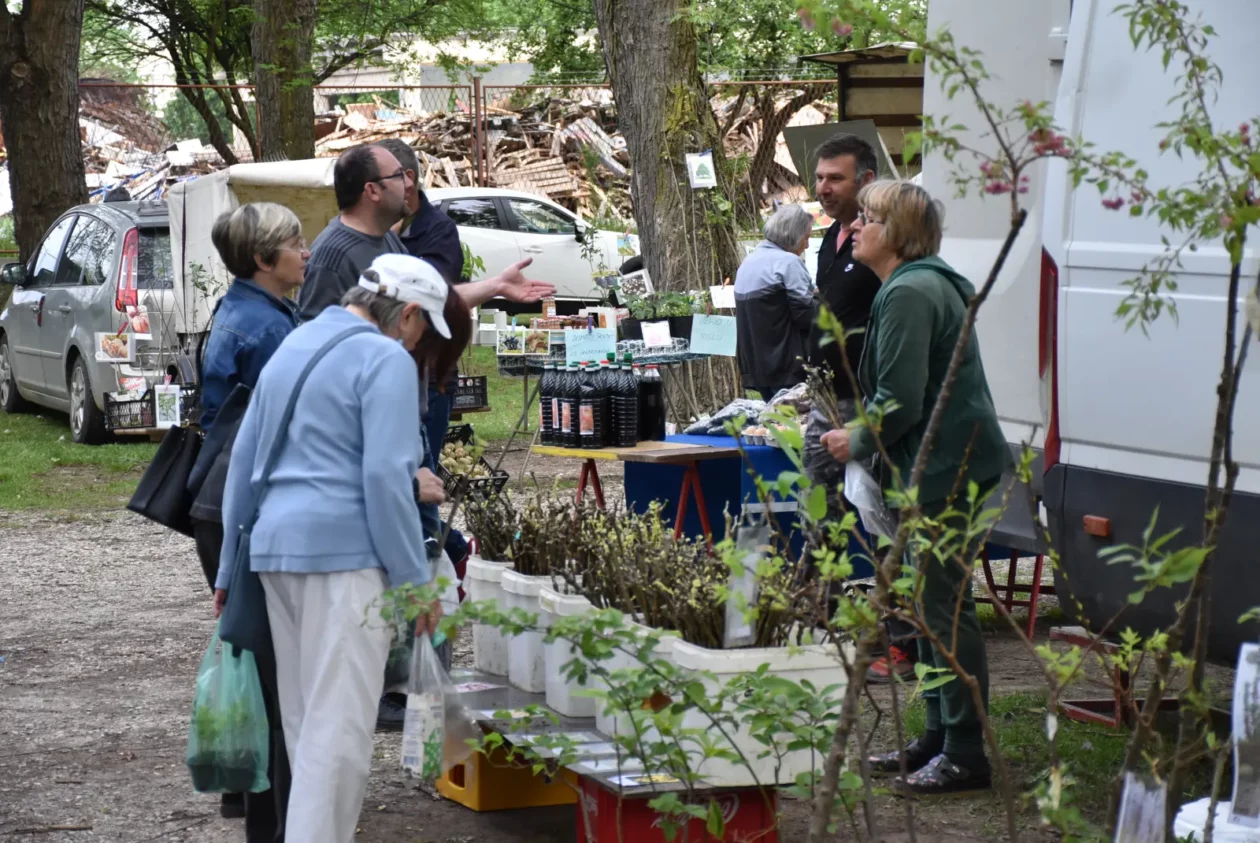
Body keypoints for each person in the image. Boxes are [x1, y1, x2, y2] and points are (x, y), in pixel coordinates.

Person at [296, 142, 557, 730]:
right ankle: (398, 689)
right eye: (399, 176)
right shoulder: (339, 251)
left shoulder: (389, 242)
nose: (408, 183)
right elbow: (321, 344)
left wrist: (492, 288)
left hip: (406, 421)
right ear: (372, 189)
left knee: (426, 545)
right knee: (409, 546)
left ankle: (418, 686)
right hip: (375, 433)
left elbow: (428, 304)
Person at [214, 253, 469, 843]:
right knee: (341, 737)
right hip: (345, 563)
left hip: (275, 555)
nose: (417, 347)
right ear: (407, 315)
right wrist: (415, 582)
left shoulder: (297, 342)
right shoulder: (383, 358)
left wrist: (229, 566)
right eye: (423, 332)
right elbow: (386, 480)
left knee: (308, 729)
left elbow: (244, 466)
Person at [820, 180, 1010, 798]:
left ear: (897, 234)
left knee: (944, 612)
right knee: (928, 609)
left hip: (946, 471)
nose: (852, 227)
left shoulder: (911, 291)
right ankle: (937, 736)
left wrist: (857, 438)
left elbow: (899, 400)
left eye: (866, 218)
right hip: (939, 468)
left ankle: (963, 753)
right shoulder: (915, 284)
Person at [188, 202, 303, 838]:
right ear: (263, 259)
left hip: (221, 497)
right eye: (294, 243)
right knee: (261, 662)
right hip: (235, 503)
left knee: (245, 651)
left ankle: (242, 779)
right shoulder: (268, 331)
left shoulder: (249, 310)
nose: (307, 251)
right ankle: (263, 802)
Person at [733, 203, 816, 402]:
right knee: (795, 427)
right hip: (786, 365)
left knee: (774, 424)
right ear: (793, 236)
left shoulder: (748, 262)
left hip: (756, 367)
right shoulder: (788, 262)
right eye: (806, 237)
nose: (807, 245)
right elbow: (806, 316)